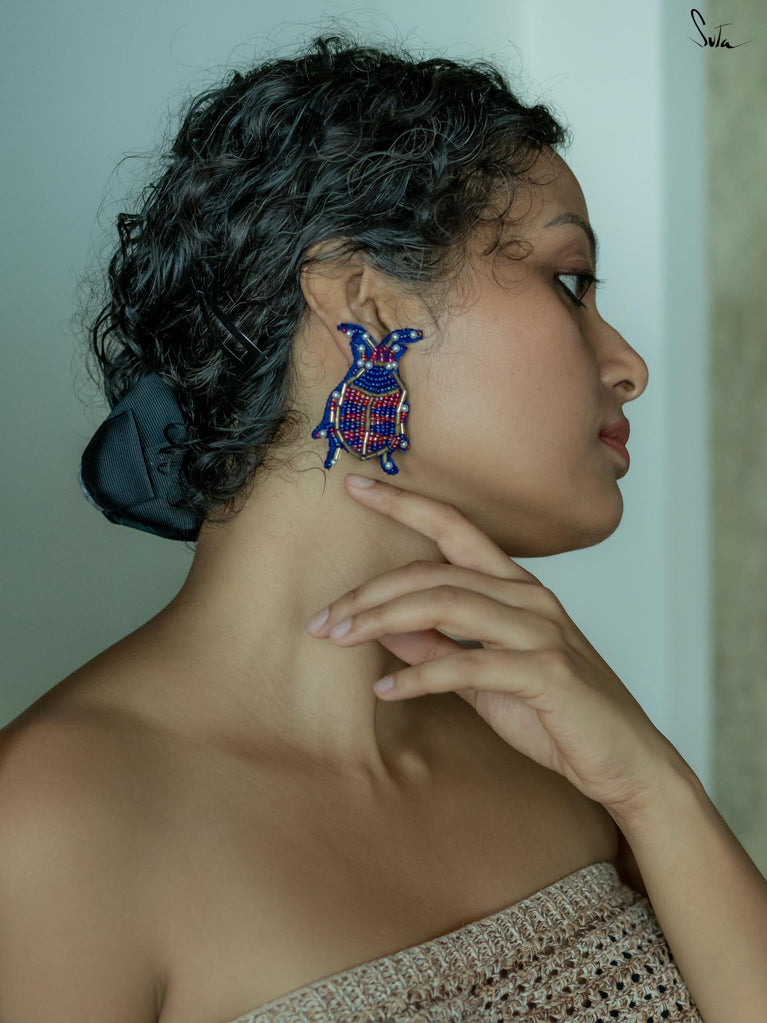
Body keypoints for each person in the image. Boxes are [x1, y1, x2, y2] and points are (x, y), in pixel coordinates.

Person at [1, 30, 716, 1023]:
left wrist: (656, 787)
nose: (627, 364)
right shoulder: (52, 824)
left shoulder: (557, 741)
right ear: (366, 309)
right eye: (567, 282)